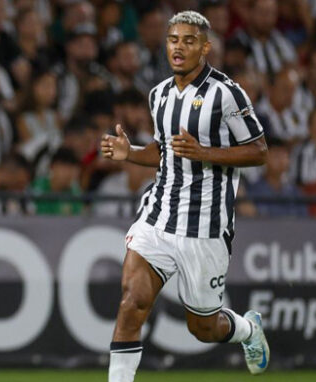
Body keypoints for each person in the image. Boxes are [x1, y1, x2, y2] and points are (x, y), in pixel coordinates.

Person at [100, 11, 270, 381]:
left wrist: (205, 152)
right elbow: (164, 151)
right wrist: (130, 152)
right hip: (158, 215)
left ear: (205, 47)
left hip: (205, 227)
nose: (179, 47)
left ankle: (246, 330)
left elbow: (259, 151)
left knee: (202, 328)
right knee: (131, 303)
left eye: (189, 41)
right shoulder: (158, 94)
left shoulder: (226, 94)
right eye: (174, 40)